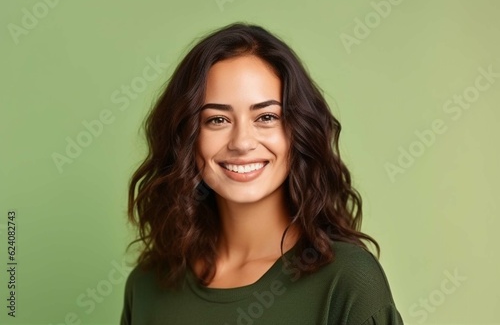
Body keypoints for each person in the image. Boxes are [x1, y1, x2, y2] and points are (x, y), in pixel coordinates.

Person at [120, 22, 404, 325]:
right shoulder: (147, 286)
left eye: (266, 117)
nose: (242, 142)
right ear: (186, 137)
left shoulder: (348, 280)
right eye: (217, 120)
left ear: (298, 131)